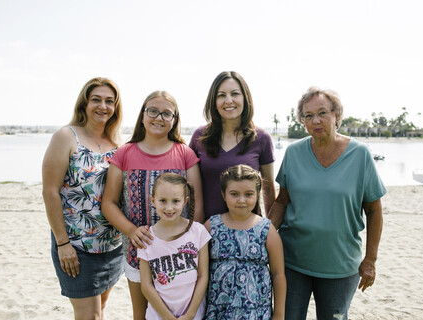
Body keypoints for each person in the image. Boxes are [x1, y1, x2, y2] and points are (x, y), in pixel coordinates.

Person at [268, 87, 387, 319]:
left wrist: (370, 259)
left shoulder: (360, 154)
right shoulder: (293, 153)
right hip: (293, 262)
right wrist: (264, 237)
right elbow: (282, 202)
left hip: (340, 266)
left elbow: (374, 210)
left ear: (336, 115)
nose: (315, 120)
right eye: (308, 116)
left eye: (322, 113)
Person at [101, 90, 203, 320]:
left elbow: (197, 207)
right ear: (142, 115)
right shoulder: (125, 153)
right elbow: (108, 203)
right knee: (142, 315)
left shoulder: (185, 154)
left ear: (175, 119)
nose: (159, 117)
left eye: (167, 113)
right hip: (139, 251)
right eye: (153, 111)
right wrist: (131, 231)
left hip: (179, 256)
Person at [42, 77, 124, 319]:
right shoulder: (66, 137)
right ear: (84, 104)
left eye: (110, 101)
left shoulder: (118, 143)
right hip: (76, 248)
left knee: (101, 309)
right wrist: (62, 244)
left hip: (112, 246)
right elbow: (49, 192)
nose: (103, 106)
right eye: (96, 99)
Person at [189, 71, 275, 220]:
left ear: (245, 98)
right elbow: (189, 188)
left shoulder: (262, 138)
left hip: (249, 232)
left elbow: (269, 191)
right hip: (205, 231)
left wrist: (270, 228)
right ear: (214, 102)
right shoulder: (199, 136)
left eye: (235, 94)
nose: (228, 100)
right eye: (221, 95)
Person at [204, 164, 286, 320]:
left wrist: (279, 314)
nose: (241, 200)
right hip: (218, 309)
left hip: (255, 310)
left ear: (257, 195)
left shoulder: (267, 229)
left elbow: (278, 274)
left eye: (248, 194)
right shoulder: (211, 226)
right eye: (234, 194)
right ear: (223, 194)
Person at [138, 173, 211, 319]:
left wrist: (190, 314)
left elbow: (203, 276)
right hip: (159, 316)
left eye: (175, 201)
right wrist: (168, 317)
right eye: (163, 201)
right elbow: (146, 285)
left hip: (193, 315)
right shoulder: (146, 238)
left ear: (185, 201)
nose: (169, 207)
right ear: (153, 201)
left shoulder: (198, 232)